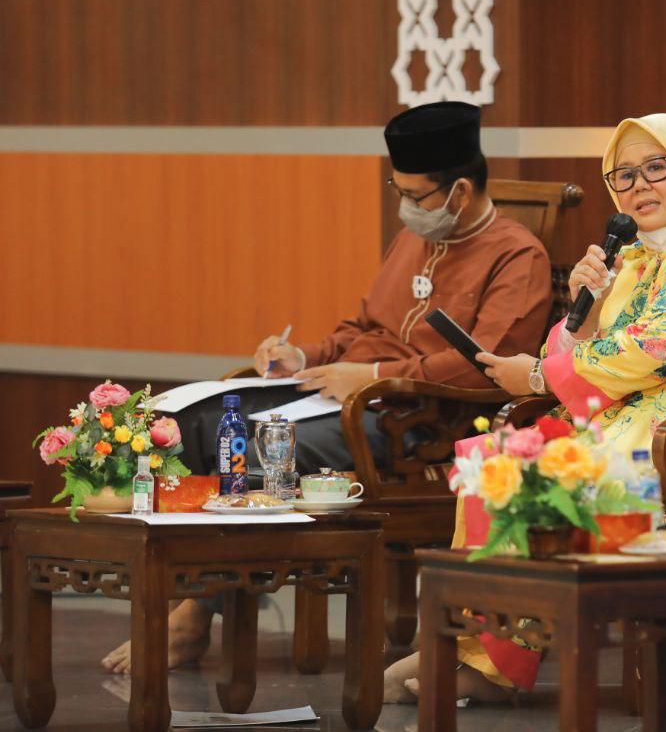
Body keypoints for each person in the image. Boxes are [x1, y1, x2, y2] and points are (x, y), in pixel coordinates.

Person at [102, 101, 552, 675]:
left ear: (460, 192)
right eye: (399, 192)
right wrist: (304, 356)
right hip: (345, 397)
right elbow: (363, 327)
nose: (406, 207)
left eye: (416, 196)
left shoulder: (517, 255)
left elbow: (486, 366)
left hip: (417, 422)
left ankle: (196, 614)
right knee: (188, 422)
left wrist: (372, 376)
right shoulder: (412, 238)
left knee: (256, 445)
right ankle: (188, 600)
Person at [383, 112, 666, 703]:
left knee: (538, 474)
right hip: (644, 424)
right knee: (500, 461)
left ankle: (489, 661)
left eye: (656, 168)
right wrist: (591, 309)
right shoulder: (643, 253)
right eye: (623, 175)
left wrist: (536, 375)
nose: (639, 186)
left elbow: (653, 350)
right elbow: (583, 349)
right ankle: (474, 649)